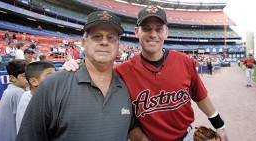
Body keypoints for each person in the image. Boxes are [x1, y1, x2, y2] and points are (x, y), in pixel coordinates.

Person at [62, 5, 228, 141]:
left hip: (186, 136)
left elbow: (200, 95)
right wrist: (75, 65)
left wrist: (219, 124)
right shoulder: (121, 72)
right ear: (136, 32)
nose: (153, 34)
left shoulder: (184, 61)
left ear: (166, 32)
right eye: (146, 28)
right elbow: (96, 75)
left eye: (158, 29)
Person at [16, 11, 135, 141]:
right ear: (84, 43)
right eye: (97, 36)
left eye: (111, 37)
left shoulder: (126, 87)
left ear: (118, 45)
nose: (104, 42)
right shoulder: (53, 85)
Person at [0, 59, 29, 141]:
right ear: (12, 78)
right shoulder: (18, 93)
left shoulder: (11, 89)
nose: (28, 78)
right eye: (24, 76)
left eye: (29, 74)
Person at [16, 61, 55, 133]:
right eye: (49, 76)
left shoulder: (46, 97)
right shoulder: (28, 102)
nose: (55, 79)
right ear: (34, 81)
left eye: (55, 75)